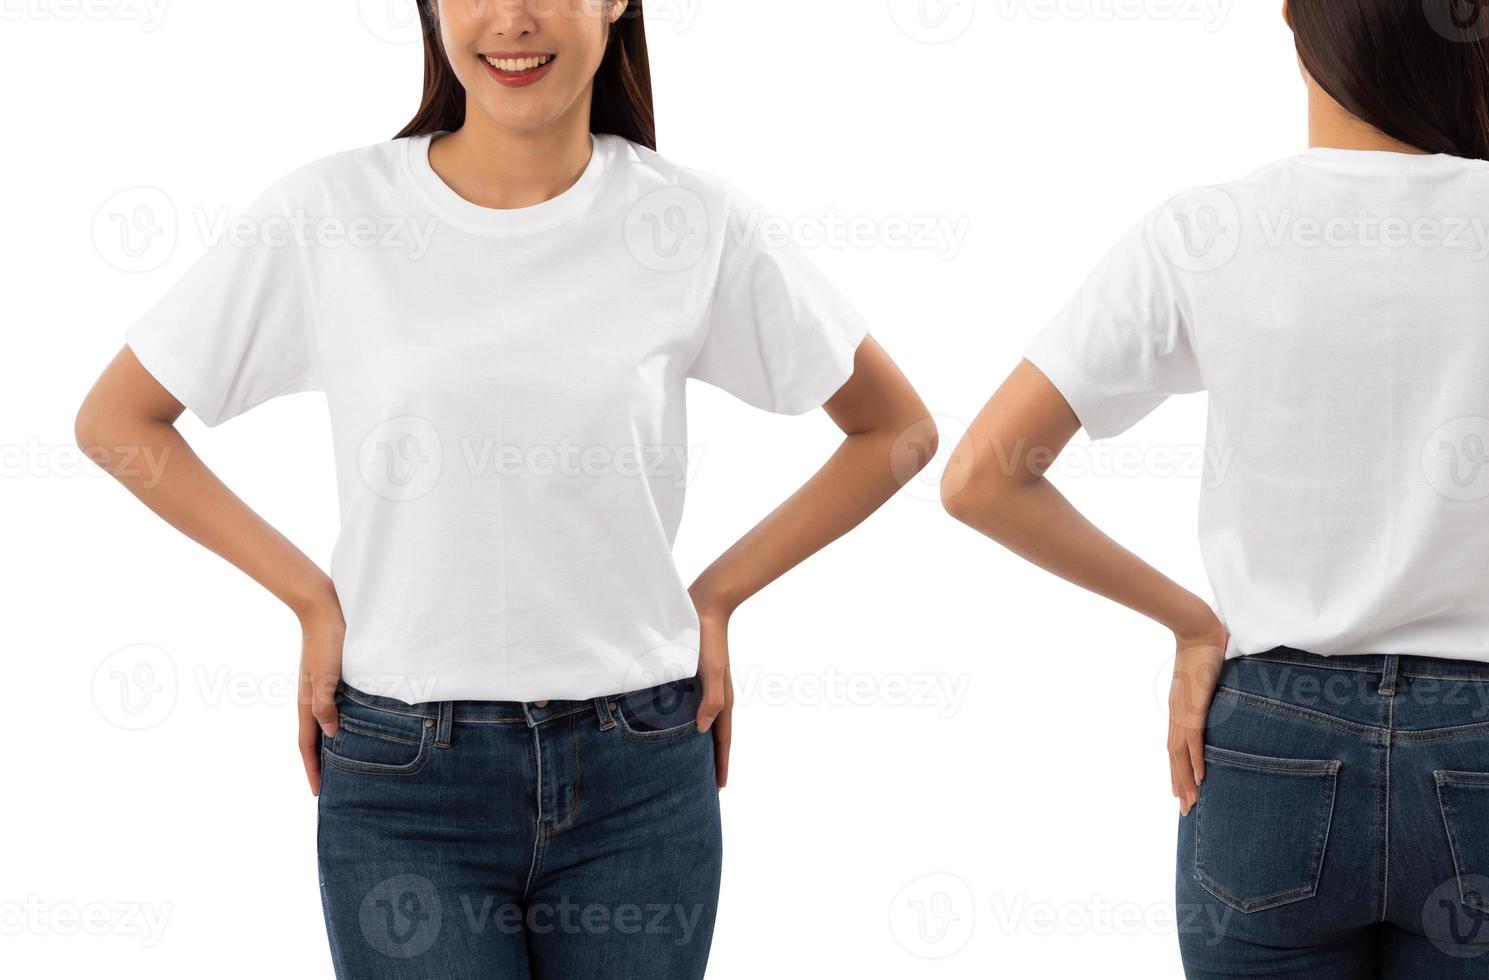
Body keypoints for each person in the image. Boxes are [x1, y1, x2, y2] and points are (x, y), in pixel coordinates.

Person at [940, 2, 1489, 976]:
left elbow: (983, 474)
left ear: (1290, 13)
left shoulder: (1202, 231)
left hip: (1269, 740)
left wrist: (1193, 625)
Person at [74, 2, 935, 976]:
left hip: (640, 770)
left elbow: (894, 432)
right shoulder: (331, 213)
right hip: (404, 777)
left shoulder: (691, 222)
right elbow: (118, 419)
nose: (512, 19)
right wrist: (310, 596)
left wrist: (717, 594)